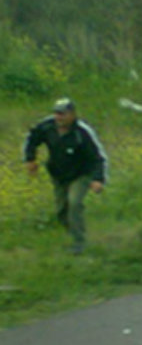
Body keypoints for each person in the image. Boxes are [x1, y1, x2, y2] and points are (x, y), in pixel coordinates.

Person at [22, 98, 107, 254]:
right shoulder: (46, 126)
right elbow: (32, 139)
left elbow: (98, 157)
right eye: (57, 113)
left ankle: (79, 242)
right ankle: (71, 231)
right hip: (58, 174)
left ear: (72, 114)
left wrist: (98, 179)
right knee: (62, 209)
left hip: (82, 174)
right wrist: (30, 159)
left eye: (63, 114)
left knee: (74, 203)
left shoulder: (82, 132)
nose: (59, 118)